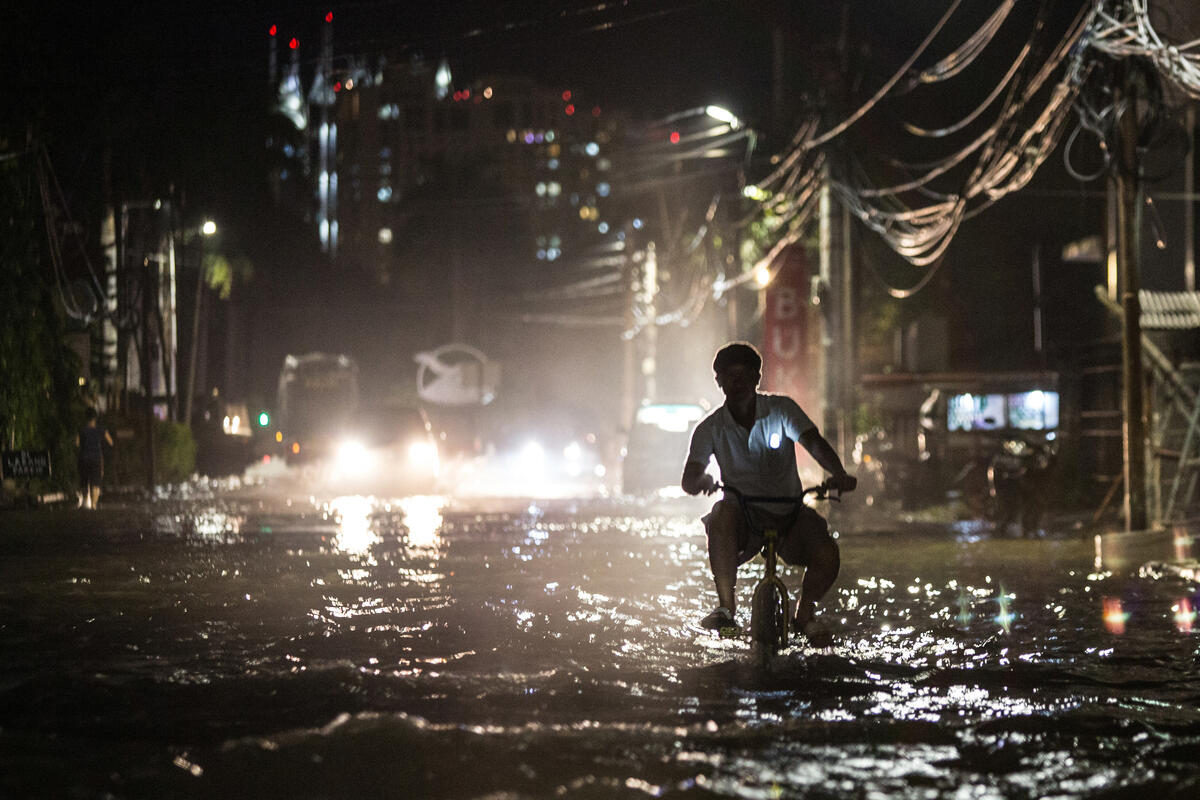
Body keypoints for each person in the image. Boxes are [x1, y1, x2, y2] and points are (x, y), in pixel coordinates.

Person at [681, 342, 856, 640]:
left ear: (756, 379)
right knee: (720, 514)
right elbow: (690, 477)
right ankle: (726, 608)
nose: (737, 383)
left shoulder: (781, 410)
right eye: (729, 376)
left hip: (789, 513)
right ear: (719, 381)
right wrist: (702, 482)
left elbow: (814, 443)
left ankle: (804, 614)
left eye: (744, 375)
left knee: (827, 551)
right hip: (743, 519)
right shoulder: (709, 428)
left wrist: (838, 473)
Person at [76, 408, 113, 510]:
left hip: (84, 458)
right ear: (95, 418)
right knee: (95, 482)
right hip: (96, 458)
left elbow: (76, 443)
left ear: (86, 417)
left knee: (84, 481)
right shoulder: (101, 429)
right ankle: (93, 505)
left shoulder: (82, 429)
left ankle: (84, 502)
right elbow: (111, 442)